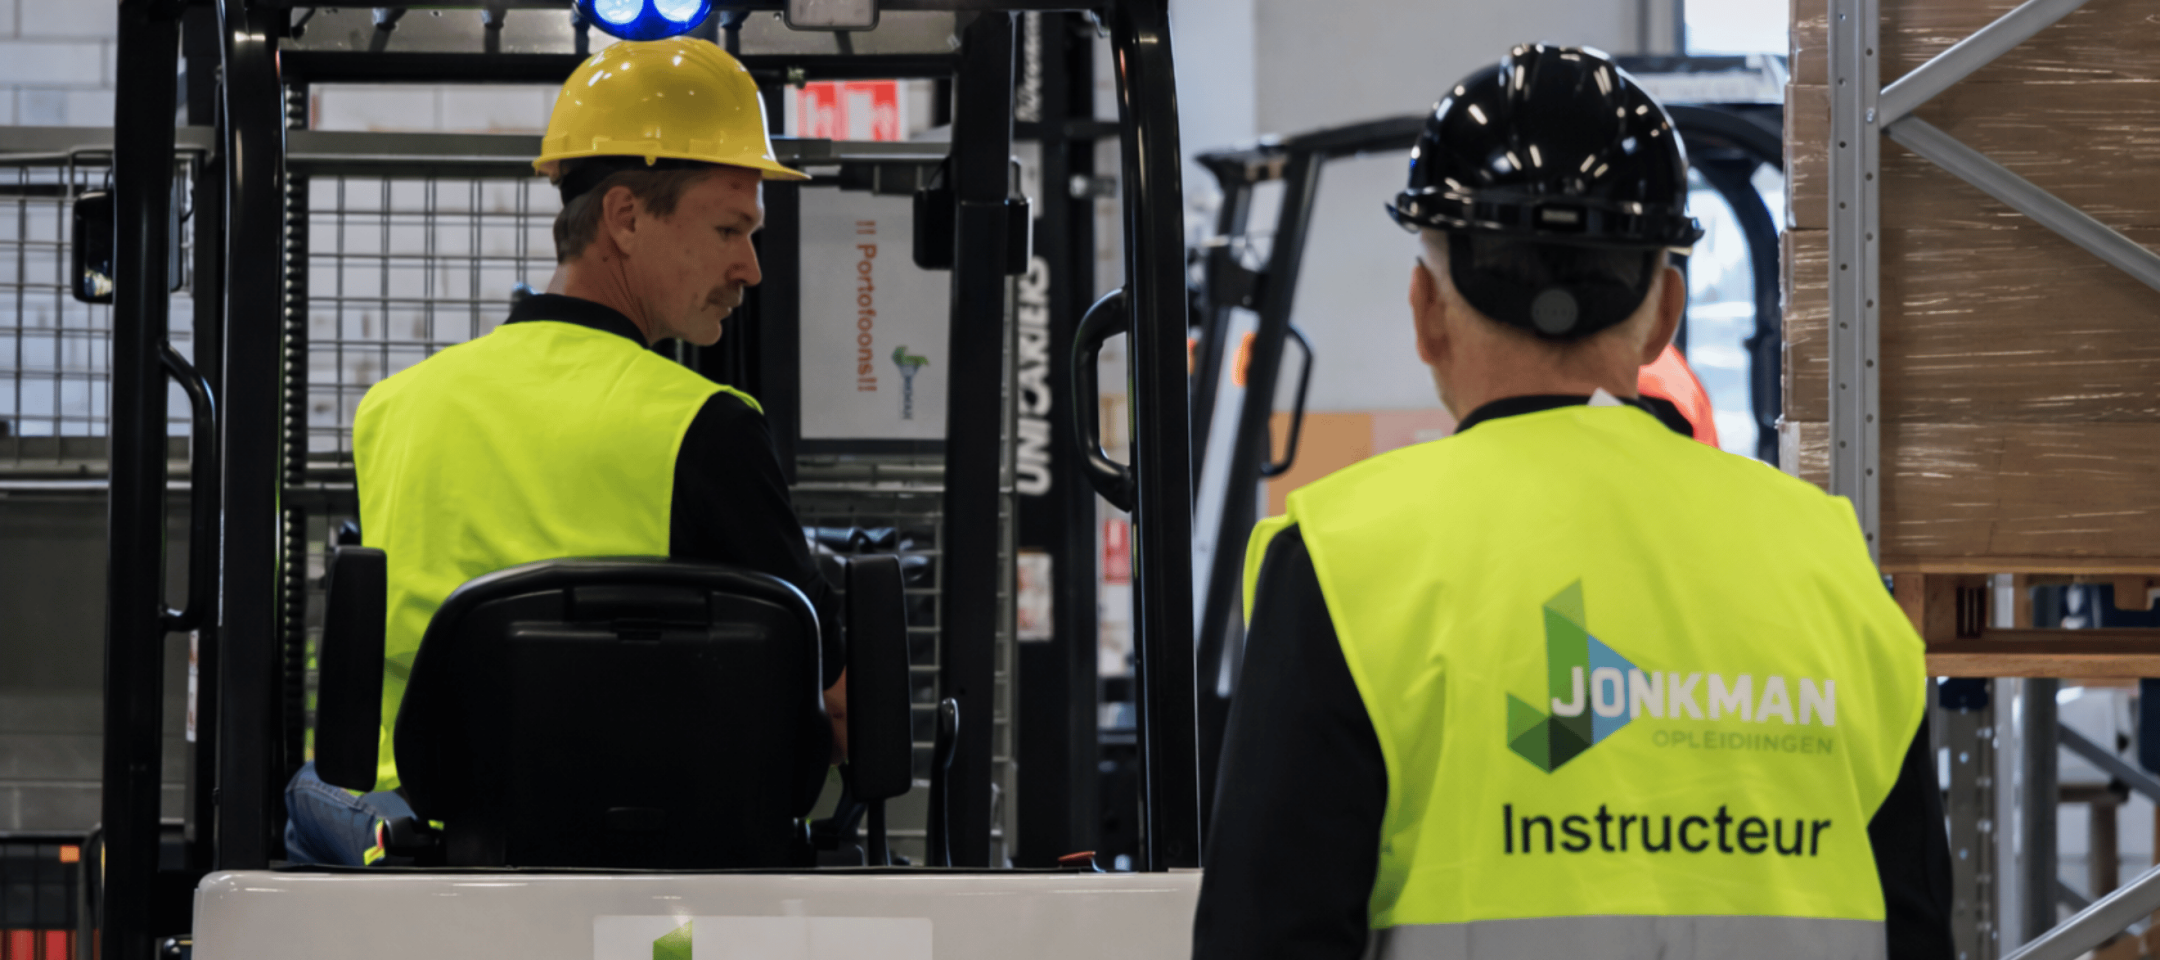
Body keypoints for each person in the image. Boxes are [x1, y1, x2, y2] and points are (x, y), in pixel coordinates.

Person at [1193, 45, 1951, 959]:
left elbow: (1270, 935)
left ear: (1426, 310)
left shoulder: (1344, 560)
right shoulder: (1829, 564)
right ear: (1665, 313)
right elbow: (1917, 928)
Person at [284, 37, 846, 866]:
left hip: (422, 854)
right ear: (625, 217)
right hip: (652, 856)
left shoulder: (393, 409)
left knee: (310, 798)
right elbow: (838, 704)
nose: (750, 268)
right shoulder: (706, 426)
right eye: (730, 229)